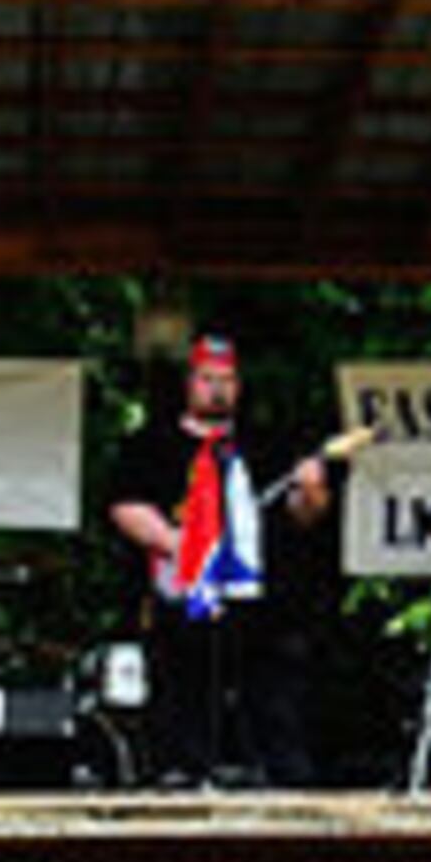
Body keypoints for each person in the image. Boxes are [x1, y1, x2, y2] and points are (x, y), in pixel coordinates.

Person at [103, 333, 337, 786]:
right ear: (190, 383)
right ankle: (181, 775)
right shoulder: (151, 443)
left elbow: (304, 516)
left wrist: (311, 488)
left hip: (259, 602)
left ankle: (282, 785)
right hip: (184, 593)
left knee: (272, 698)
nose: (217, 389)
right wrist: (180, 543)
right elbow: (124, 504)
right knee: (183, 692)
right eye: (208, 379)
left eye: (226, 380)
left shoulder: (266, 444)